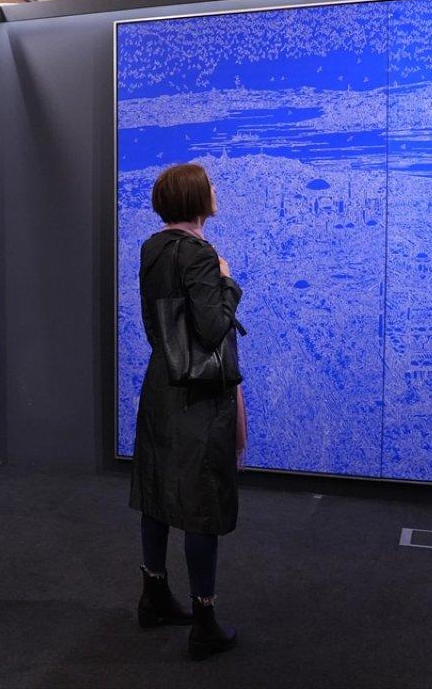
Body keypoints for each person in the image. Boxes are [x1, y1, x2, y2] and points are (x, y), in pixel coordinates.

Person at [130, 163, 245, 660]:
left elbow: (156, 322)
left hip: (162, 383)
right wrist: (228, 282)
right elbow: (213, 328)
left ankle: (153, 596)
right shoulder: (200, 254)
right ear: (197, 198)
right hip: (199, 394)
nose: (215, 190)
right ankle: (204, 621)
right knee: (202, 503)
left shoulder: (152, 248)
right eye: (210, 185)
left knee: (157, 490)